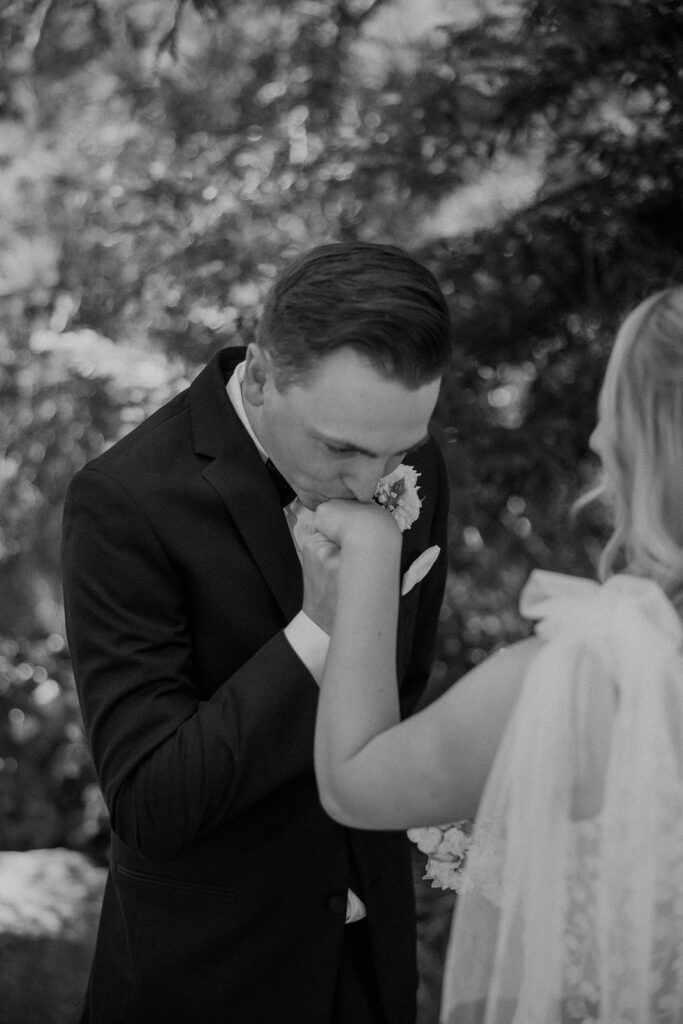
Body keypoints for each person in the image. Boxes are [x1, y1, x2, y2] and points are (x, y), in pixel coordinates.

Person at [61, 241, 452, 1024]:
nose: (372, 484)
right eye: (340, 448)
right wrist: (319, 627)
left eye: (395, 452)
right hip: (207, 981)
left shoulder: (411, 467)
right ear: (264, 372)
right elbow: (151, 802)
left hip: (370, 971)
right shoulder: (124, 502)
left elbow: (400, 698)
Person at [312, 287, 683, 1024]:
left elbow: (354, 782)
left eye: (612, 406)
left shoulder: (600, 674)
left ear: (643, 439)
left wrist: (368, 558)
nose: (596, 437)